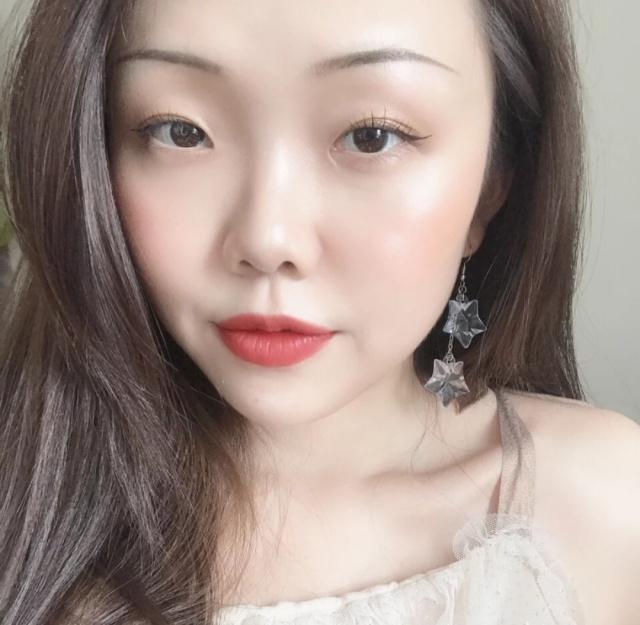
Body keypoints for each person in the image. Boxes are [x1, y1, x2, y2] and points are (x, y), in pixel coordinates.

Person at [0, 0, 638, 624]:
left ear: (493, 183)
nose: (267, 240)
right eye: (181, 131)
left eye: (371, 136)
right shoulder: (24, 511)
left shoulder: (603, 507)